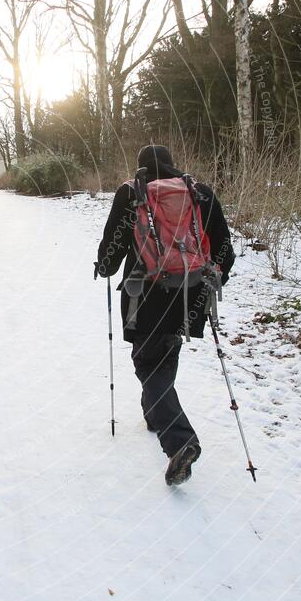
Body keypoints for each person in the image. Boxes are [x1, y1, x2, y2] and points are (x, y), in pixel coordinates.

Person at [95, 144, 235, 486]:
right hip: (191, 290)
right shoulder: (198, 192)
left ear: (140, 166)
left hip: (145, 292)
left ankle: (180, 441)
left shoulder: (132, 193)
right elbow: (225, 250)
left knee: (146, 362)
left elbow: (112, 250)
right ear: (173, 165)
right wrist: (214, 276)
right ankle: (155, 416)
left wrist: (104, 264)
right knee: (166, 347)